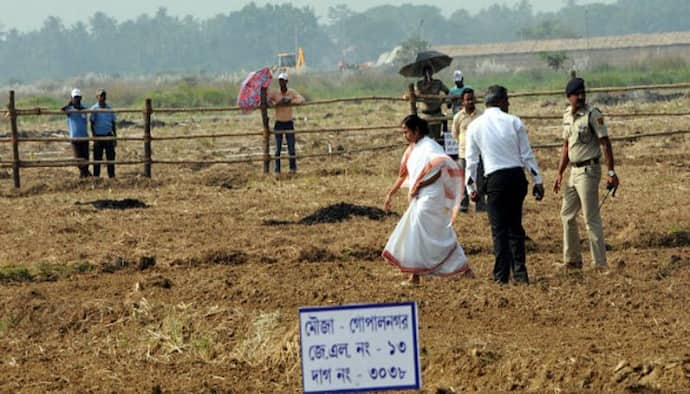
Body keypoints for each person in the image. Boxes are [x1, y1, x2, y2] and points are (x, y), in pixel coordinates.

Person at [465, 85, 545, 284]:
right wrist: (538, 181)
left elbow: (471, 161)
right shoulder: (514, 121)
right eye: (507, 99)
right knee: (515, 227)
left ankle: (501, 276)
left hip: (495, 180)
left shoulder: (475, 126)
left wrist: (471, 188)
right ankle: (520, 273)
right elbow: (527, 155)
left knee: (498, 229)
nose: (509, 103)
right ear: (500, 101)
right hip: (516, 178)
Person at [382, 114, 473, 286]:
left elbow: (440, 166)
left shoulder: (430, 147)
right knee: (428, 233)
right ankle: (459, 269)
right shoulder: (411, 150)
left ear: (416, 131)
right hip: (419, 197)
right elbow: (403, 176)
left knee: (420, 231)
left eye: (406, 132)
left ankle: (416, 275)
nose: (405, 136)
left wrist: (420, 184)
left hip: (431, 196)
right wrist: (390, 194)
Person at [553, 77, 619, 270]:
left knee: (591, 218)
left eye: (583, 93)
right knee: (567, 214)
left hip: (589, 170)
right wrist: (559, 173)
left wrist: (611, 172)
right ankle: (572, 260)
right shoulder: (566, 116)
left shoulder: (592, 114)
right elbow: (566, 146)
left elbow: (605, 143)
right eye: (577, 94)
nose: (581, 97)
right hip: (573, 171)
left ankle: (599, 263)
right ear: (568, 97)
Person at [452, 88, 485, 212]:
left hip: (478, 153)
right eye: (467, 99)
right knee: (462, 179)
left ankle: (481, 205)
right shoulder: (458, 117)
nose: (470, 102)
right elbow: (455, 134)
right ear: (462, 101)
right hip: (463, 153)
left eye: (472, 99)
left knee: (480, 178)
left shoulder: (481, 115)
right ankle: (463, 204)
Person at [268, 72, 305, 174]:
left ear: (286, 82)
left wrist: (290, 101)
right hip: (279, 122)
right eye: (280, 81)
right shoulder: (275, 93)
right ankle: (277, 170)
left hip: (288, 122)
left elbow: (301, 99)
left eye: (283, 81)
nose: (281, 83)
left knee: (291, 147)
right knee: (278, 148)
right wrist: (279, 102)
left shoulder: (291, 93)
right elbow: (268, 101)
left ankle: (292, 169)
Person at [415, 65, 449, 145]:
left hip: (436, 113)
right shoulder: (419, 84)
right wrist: (426, 87)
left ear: (432, 72)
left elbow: (447, 91)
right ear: (423, 73)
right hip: (424, 115)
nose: (428, 73)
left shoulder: (437, 83)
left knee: (436, 138)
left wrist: (443, 100)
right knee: (425, 138)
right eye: (426, 72)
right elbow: (416, 94)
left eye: (429, 71)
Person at [61, 89, 91, 178]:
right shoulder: (69, 109)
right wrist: (69, 104)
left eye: (78, 97)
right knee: (78, 158)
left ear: (81, 98)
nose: (77, 99)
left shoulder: (84, 107)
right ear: (72, 98)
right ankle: (85, 173)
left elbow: (87, 109)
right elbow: (62, 109)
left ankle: (84, 174)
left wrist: (80, 108)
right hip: (75, 138)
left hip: (85, 137)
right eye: (75, 97)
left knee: (86, 158)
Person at [90, 89, 117, 178]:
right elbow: (92, 123)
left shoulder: (109, 109)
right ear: (97, 97)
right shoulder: (94, 109)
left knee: (111, 157)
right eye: (100, 95)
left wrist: (115, 136)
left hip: (108, 135)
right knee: (97, 158)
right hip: (98, 136)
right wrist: (94, 136)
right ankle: (96, 177)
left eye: (104, 95)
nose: (102, 97)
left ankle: (111, 177)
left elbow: (113, 123)